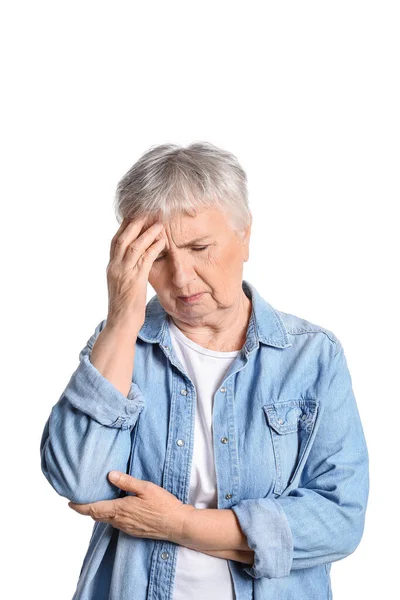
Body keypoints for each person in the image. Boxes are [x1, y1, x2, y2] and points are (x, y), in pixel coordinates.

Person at [40, 141, 369, 600]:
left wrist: (181, 525)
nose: (182, 279)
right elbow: (78, 479)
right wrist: (120, 320)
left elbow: (339, 519)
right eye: (157, 257)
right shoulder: (119, 345)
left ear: (245, 236)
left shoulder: (312, 357)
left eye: (200, 247)